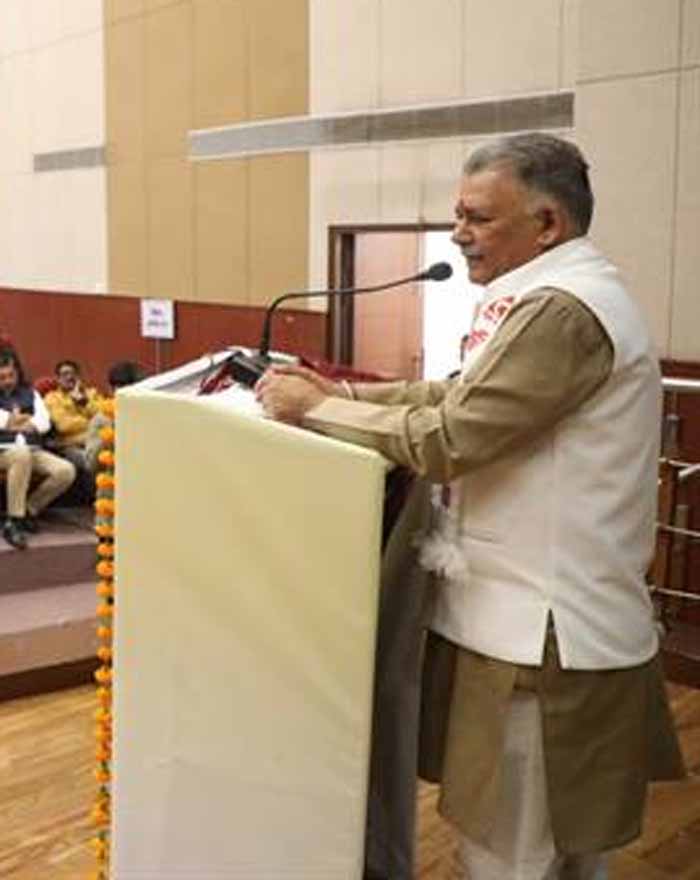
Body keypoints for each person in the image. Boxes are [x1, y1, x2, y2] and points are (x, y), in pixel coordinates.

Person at [256, 133, 685, 880]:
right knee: (551, 850)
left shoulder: (562, 311)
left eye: (477, 217)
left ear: (546, 223)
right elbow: (457, 392)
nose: (458, 233)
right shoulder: (551, 294)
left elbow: (452, 436)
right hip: (538, 621)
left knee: (510, 853)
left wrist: (314, 410)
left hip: (539, 632)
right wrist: (346, 393)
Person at [0, 348, 76, 549]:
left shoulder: (30, 393)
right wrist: (12, 420)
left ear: (18, 373)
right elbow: (2, 420)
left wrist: (23, 422)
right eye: (2, 377)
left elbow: (44, 422)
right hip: (3, 451)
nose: (7, 381)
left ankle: (28, 510)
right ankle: (14, 521)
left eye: (11, 376)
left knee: (65, 470)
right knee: (20, 455)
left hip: (31, 449)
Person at [85, 360, 145, 473]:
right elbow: (91, 464)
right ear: (112, 390)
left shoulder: (148, 415)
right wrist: (110, 436)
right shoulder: (101, 420)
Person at [43, 359, 103, 471]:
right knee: (93, 461)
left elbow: (105, 416)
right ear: (58, 379)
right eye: (65, 374)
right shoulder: (52, 398)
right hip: (71, 446)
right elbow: (64, 425)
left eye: (73, 373)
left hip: (98, 442)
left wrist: (84, 403)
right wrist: (93, 422)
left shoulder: (92, 394)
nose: (70, 377)